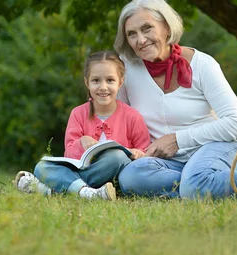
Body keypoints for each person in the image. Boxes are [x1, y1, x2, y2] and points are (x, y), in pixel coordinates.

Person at [114, 0, 237, 199]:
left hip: (217, 148)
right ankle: (200, 185)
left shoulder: (203, 64)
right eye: (132, 34)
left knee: (194, 182)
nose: (140, 40)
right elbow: (117, 119)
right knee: (130, 178)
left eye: (147, 28)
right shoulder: (126, 69)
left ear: (166, 28)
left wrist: (177, 140)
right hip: (168, 163)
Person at [13, 51, 150, 201]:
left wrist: (135, 153)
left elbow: (145, 155)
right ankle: (88, 193)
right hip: (82, 169)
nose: (103, 87)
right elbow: (69, 155)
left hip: (113, 174)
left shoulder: (132, 116)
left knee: (117, 157)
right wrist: (81, 142)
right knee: (42, 167)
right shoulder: (78, 113)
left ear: (120, 82)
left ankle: (58, 190)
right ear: (87, 83)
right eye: (96, 80)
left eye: (110, 80)